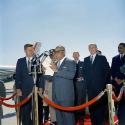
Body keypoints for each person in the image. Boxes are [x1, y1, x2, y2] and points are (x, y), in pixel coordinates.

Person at [15, 43, 44, 125]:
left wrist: (41, 88)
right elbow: (18, 75)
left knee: (38, 111)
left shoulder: (37, 61)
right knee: (25, 111)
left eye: (33, 50)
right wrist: (18, 88)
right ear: (25, 51)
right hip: (24, 90)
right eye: (29, 50)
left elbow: (41, 75)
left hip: (36, 90)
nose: (32, 51)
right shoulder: (20, 61)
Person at [83, 43, 110, 125]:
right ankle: (94, 122)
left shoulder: (102, 58)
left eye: (93, 47)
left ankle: (100, 122)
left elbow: (107, 72)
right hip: (90, 87)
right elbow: (85, 72)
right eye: (89, 48)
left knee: (100, 106)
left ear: (96, 48)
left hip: (100, 87)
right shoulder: (86, 59)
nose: (91, 49)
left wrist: (105, 85)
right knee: (92, 106)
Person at [50, 45, 76, 125]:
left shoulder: (70, 62)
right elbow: (54, 79)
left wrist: (57, 70)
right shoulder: (56, 63)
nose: (55, 54)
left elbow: (71, 75)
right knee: (60, 119)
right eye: (54, 52)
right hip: (56, 96)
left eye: (56, 52)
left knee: (68, 119)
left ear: (62, 52)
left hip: (66, 97)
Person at [111, 43, 125, 125]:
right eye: (118, 48)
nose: (119, 49)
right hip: (116, 85)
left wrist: (123, 80)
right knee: (116, 105)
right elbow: (112, 70)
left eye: (121, 48)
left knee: (123, 106)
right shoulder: (114, 58)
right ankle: (116, 121)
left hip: (124, 84)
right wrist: (116, 79)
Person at [72, 52, 86, 124]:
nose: (75, 56)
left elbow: (86, 73)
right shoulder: (70, 64)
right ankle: (74, 118)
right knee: (74, 101)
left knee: (81, 102)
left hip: (81, 86)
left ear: (79, 55)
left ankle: (81, 118)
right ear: (72, 56)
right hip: (72, 85)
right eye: (74, 55)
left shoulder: (83, 63)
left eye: (76, 54)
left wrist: (83, 78)